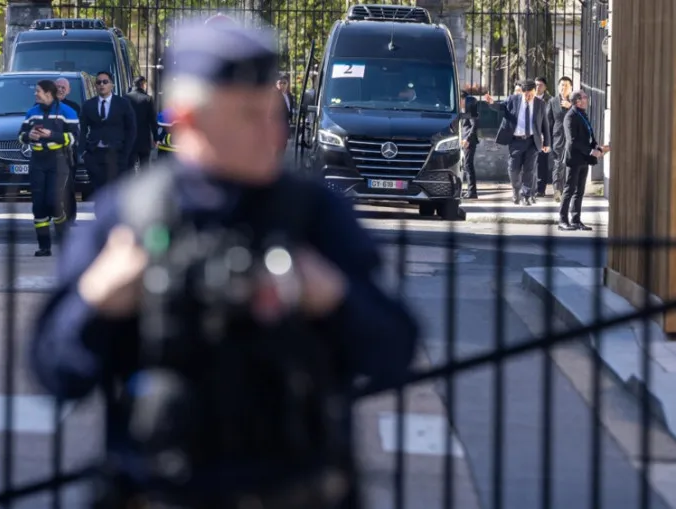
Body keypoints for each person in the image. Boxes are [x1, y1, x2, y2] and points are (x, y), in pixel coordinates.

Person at [28, 17, 418, 509]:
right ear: (190, 119)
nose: (272, 132)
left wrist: (333, 296)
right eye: (248, 116)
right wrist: (99, 297)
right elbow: (54, 370)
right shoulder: (130, 214)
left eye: (272, 113)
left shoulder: (312, 214)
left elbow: (394, 350)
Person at [18, 80, 79, 257]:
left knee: (53, 202)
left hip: (57, 160)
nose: (35, 94)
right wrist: (28, 135)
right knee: (38, 205)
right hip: (37, 160)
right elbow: (20, 136)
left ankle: (64, 241)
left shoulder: (67, 112)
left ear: (48, 94)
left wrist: (52, 135)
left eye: (38, 91)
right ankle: (44, 246)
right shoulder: (32, 112)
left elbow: (74, 138)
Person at [484, 80, 551, 206]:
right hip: (516, 141)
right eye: (526, 94)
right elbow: (500, 107)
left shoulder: (540, 104)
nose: (528, 97)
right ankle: (516, 191)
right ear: (522, 92)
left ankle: (526, 195)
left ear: (535, 91)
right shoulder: (513, 100)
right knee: (513, 169)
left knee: (529, 169)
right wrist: (492, 102)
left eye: (531, 94)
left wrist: (547, 143)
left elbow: (545, 124)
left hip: (532, 141)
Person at [79, 71, 137, 190]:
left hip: (116, 152)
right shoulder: (88, 105)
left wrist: (126, 152)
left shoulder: (123, 103)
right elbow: (82, 129)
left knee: (116, 189)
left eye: (105, 82)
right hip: (95, 153)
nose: (102, 85)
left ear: (112, 85)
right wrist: (83, 152)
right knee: (98, 190)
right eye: (98, 82)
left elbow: (131, 128)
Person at [559, 90, 608, 231]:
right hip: (574, 159)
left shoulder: (582, 114)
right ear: (578, 101)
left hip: (583, 159)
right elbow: (572, 140)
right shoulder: (570, 116)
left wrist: (595, 146)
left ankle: (575, 220)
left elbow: (589, 135)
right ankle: (563, 221)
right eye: (585, 97)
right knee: (569, 190)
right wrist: (590, 151)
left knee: (579, 191)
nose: (587, 99)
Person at [56, 77, 83, 225]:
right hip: (48, 154)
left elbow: (77, 132)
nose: (60, 89)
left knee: (68, 186)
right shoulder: (42, 105)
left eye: (63, 87)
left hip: (68, 153)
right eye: (58, 86)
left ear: (68, 90)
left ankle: (70, 217)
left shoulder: (74, 108)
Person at [547, 76, 573, 202]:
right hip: (558, 137)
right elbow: (548, 121)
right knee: (558, 163)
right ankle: (557, 190)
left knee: (569, 164)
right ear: (558, 87)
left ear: (571, 88)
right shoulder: (552, 102)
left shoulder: (575, 101)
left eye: (566, 85)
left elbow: (582, 117)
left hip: (572, 138)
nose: (564, 87)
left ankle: (567, 190)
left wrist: (571, 107)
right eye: (562, 85)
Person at [124, 75, 158, 171]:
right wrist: (156, 138)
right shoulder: (147, 99)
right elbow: (152, 120)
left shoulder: (125, 98)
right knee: (144, 168)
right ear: (143, 84)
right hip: (144, 140)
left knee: (129, 168)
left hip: (129, 139)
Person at [533, 77, 553, 196]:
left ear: (545, 87)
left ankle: (541, 189)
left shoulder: (550, 101)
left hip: (544, 136)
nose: (538, 87)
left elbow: (551, 119)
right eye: (536, 85)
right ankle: (529, 187)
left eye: (540, 85)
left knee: (542, 163)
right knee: (529, 162)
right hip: (530, 135)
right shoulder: (530, 98)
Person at [460, 89, 479, 199]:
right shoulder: (463, 110)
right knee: (466, 165)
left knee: (468, 165)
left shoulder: (470, 110)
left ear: (463, 99)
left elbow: (474, 126)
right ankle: (470, 191)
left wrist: (467, 139)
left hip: (469, 142)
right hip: (464, 141)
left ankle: (472, 192)